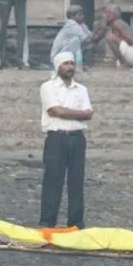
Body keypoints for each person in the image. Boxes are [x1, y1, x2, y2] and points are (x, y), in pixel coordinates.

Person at [39, 51, 93, 229]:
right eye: (66, 64)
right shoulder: (48, 87)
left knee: (77, 181)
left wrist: (72, 113)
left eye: (72, 63)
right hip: (57, 137)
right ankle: (47, 221)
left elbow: (89, 114)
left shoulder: (82, 89)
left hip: (77, 138)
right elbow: (56, 111)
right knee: (53, 180)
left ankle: (76, 222)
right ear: (58, 66)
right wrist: (80, 114)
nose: (70, 67)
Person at [100, 4, 133, 69]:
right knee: (110, 37)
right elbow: (96, 39)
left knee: (110, 37)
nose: (104, 15)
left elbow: (132, 41)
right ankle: (124, 63)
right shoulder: (114, 24)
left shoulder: (117, 23)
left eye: (106, 12)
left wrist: (119, 40)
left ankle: (124, 63)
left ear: (112, 14)